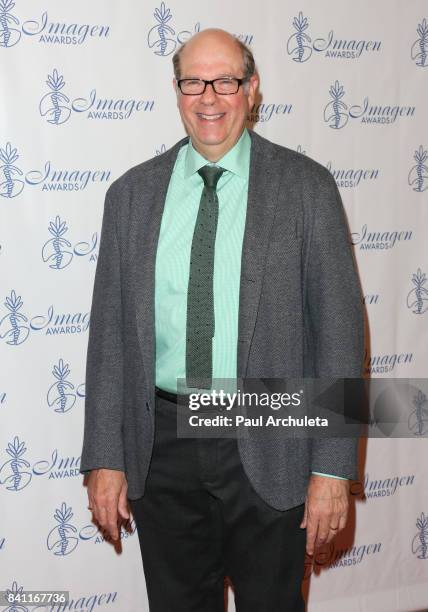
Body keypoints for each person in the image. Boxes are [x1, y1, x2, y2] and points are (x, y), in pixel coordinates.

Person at [80, 28, 364, 612]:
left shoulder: (307, 189)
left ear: (252, 89)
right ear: (177, 91)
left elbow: (340, 336)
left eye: (226, 81)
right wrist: (106, 456)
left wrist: (333, 469)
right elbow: (109, 339)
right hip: (162, 445)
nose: (209, 97)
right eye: (193, 82)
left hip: (270, 433)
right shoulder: (130, 196)